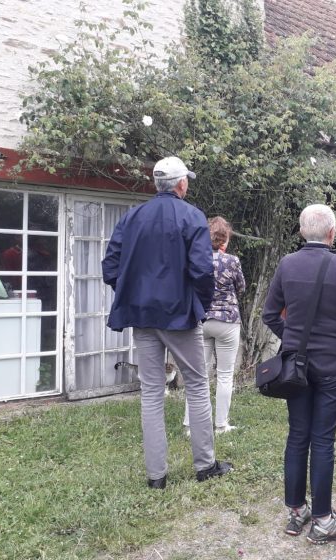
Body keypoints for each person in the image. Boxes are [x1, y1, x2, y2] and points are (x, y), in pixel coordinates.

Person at [102, 156, 232, 489]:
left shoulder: (133, 216)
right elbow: (203, 270)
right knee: (198, 385)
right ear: (181, 184)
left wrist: (134, 292)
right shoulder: (192, 216)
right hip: (179, 316)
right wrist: (199, 305)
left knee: (151, 393)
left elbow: (110, 266)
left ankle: (156, 477)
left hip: (143, 316)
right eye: (186, 179)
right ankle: (205, 466)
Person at [262, 204, 336, 545]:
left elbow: (269, 314)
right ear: (333, 233)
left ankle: (297, 512)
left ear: (302, 230)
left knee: (297, 436)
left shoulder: (288, 264)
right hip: (333, 367)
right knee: (322, 439)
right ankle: (323, 520)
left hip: (296, 365)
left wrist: (291, 337)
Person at [184, 217, 246, 435]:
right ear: (225, 239)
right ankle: (221, 425)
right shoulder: (232, 261)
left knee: (198, 375)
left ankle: (190, 426)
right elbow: (241, 287)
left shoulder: (195, 259)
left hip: (200, 321)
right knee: (225, 374)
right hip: (227, 321)